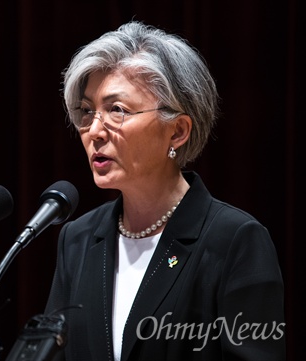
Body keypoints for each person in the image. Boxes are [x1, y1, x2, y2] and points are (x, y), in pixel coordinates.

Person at [44, 21, 285, 360]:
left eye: (117, 110)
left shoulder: (234, 241)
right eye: (87, 111)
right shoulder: (78, 239)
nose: (94, 131)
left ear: (177, 132)